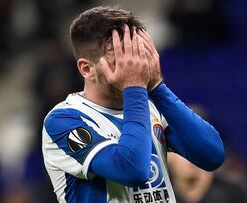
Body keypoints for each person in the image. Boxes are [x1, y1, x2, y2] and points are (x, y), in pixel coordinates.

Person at [41, 6, 225, 203]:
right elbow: (131, 170)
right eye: (120, 57)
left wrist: (157, 87)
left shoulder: (150, 104)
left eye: (136, 53)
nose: (135, 65)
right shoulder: (64, 119)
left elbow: (212, 155)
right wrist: (135, 87)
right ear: (87, 69)